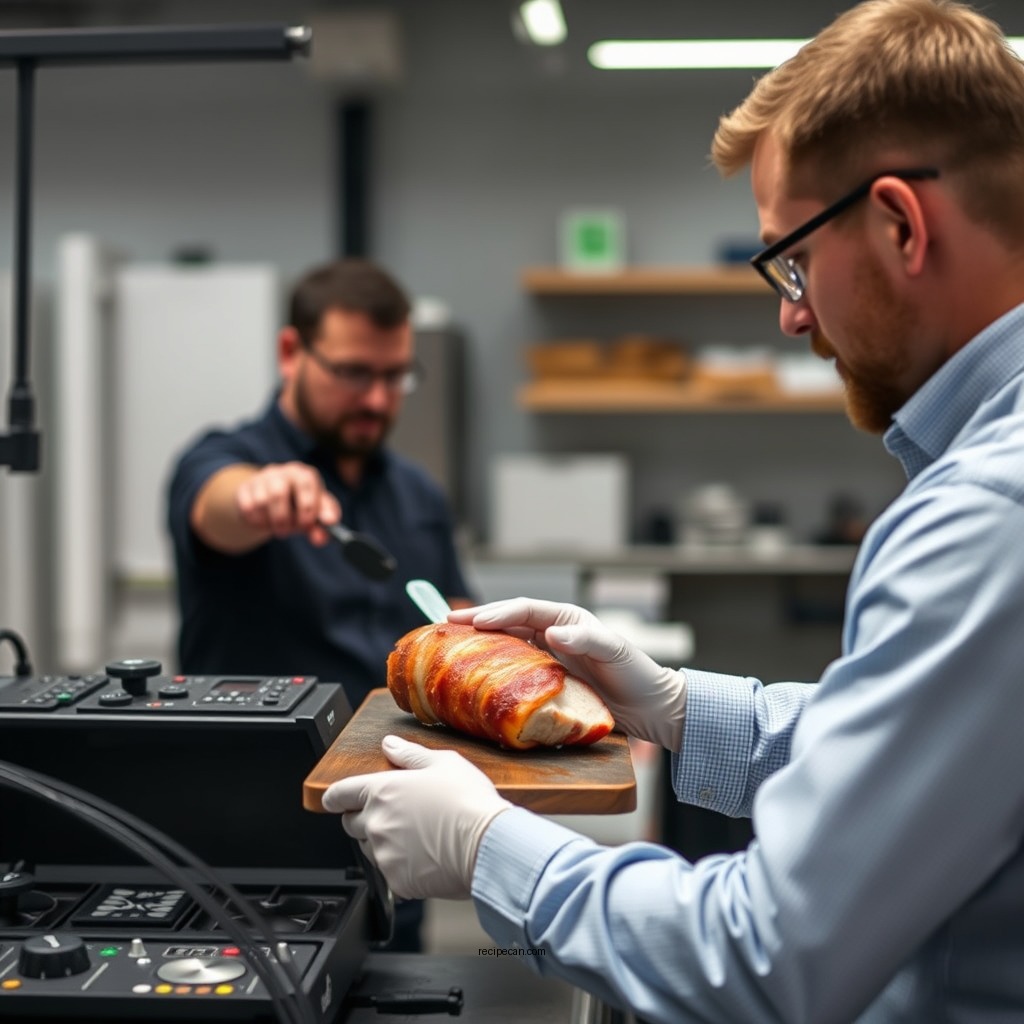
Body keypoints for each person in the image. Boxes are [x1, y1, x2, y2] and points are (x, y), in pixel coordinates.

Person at [321, 1, 1024, 1019]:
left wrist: (489, 849)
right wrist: (679, 708)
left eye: (792, 259)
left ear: (900, 224)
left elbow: (767, 956)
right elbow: (934, 762)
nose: (790, 312)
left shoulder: (984, 518)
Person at [167, 258, 473, 952]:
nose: (376, 399)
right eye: (353, 373)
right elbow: (219, 506)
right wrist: (260, 498)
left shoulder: (418, 494)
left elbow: (450, 610)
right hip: (253, 853)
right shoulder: (223, 458)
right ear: (290, 353)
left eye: (395, 376)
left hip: (394, 840)